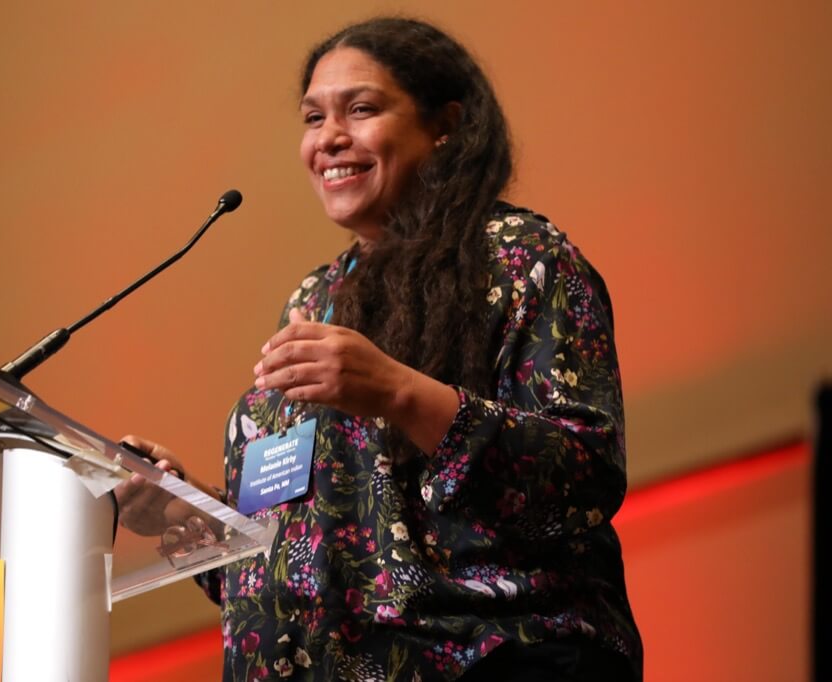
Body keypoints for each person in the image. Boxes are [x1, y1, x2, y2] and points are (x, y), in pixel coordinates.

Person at [117, 16, 642, 681]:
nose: (329, 138)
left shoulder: (523, 261)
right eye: (313, 118)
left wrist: (399, 391)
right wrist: (186, 510)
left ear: (445, 125)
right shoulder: (315, 300)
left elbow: (581, 476)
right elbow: (314, 552)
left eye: (360, 109)